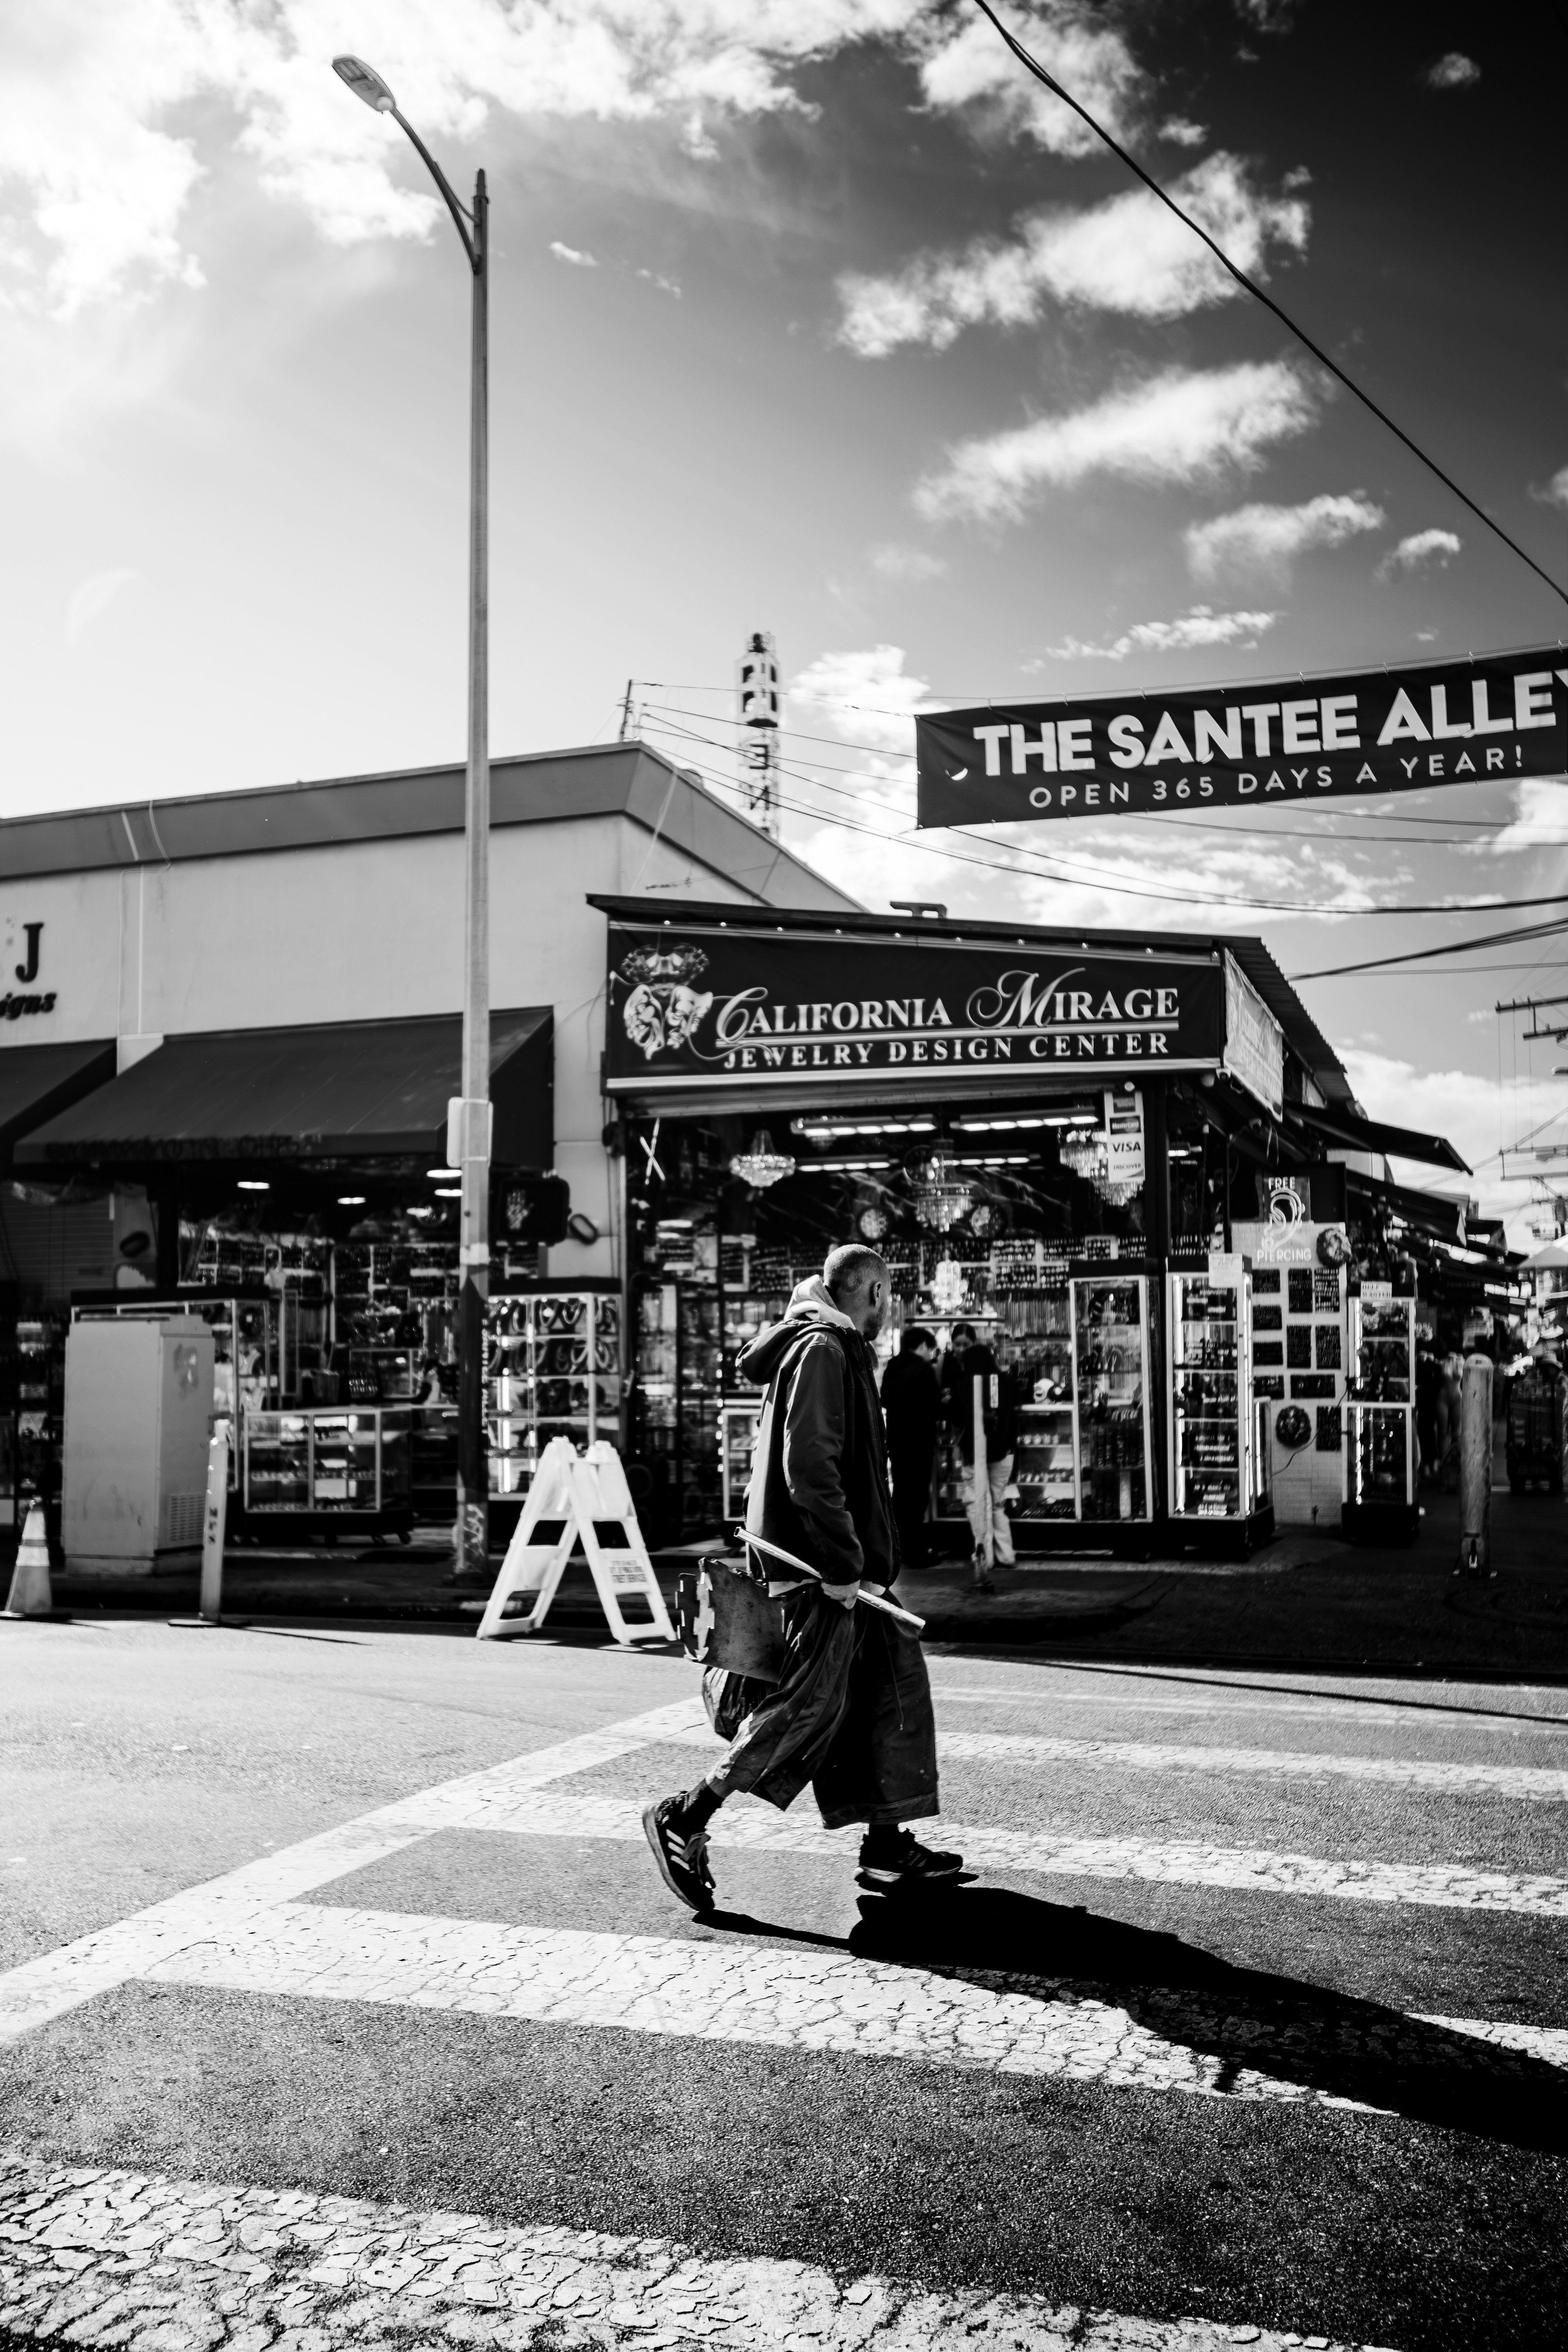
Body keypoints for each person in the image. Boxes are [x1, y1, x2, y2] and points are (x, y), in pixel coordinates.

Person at [642, 1244, 964, 1916]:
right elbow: (809, 1467)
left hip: (842, 1569)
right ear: (873, 1293)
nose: (889, 1310)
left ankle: (886, 1842)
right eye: (888, 1297)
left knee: (892, 1687)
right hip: (821, 1571)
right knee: (805, 1706)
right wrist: (842, 1564)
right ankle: (686, 1814)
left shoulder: (828, 1343)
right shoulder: (822, 1347)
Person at [940, 1321, 1018, 1590]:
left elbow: (957, 1417)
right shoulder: (1007, 1381)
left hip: (975, 1452)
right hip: (1004, 1452)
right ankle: (1007, 1555)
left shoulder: (963, 1384)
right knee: (998, 1503)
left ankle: (986, 1558)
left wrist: (948, 1403)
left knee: (976, 1502)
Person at [880, 1324, 940, 1570]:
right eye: (931, 1349)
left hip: (897, 1440)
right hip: (919, 1441)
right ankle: (915, 1553)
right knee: (917, 1497)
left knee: (902, 1494)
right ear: (923, 1346)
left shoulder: (892, 1367)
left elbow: (885, 1399)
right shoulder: (924, 1369)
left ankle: (898, 1549)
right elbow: (933, 1407)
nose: (932, 1354)